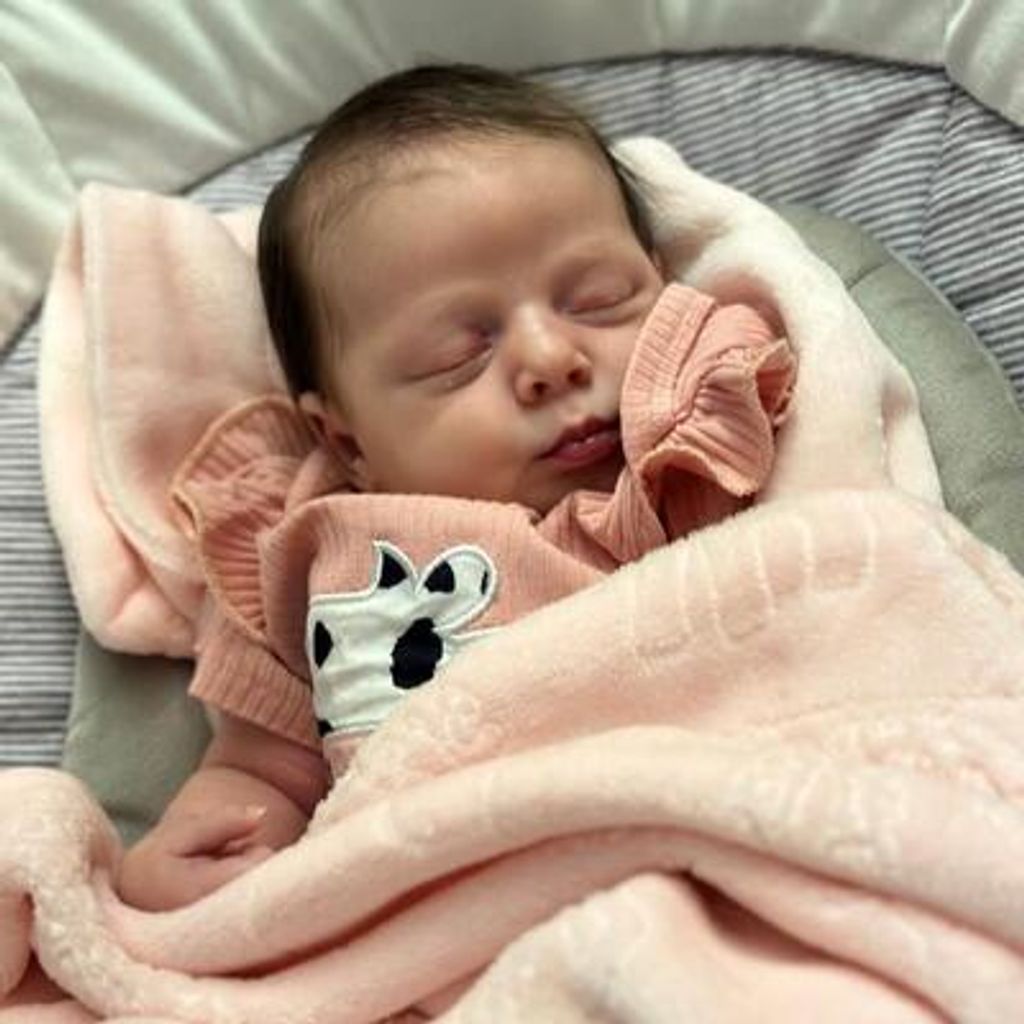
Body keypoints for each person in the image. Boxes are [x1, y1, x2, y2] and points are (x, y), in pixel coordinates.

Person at [117, 64, 794, 910]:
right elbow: (265, 771)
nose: (552, 359)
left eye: (600, 300)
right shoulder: (308, 544)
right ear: (347, 440)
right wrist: (210, 839)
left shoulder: (680, 460)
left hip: (672, 855)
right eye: (456, 356)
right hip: (431, 906)